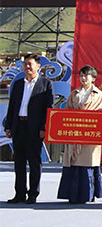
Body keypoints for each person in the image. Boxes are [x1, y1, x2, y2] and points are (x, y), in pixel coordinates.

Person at [3, 53, 54, 204]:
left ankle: (33, 194)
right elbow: (12, 107)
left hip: (35, 129)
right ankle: (19, 193)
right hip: (19, 126)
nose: (27, 66)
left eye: (30, 64)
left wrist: (43, 127)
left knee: (34, 162)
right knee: (18, 162)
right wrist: (8, 126)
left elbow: (48, 108)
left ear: (38, 66)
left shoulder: (45, 84)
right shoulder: (19, 84)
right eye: (25, 64)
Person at [57, 65, 102, 204]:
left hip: (90, 135)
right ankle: (72, 195)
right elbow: (67, 112)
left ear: (93, 78)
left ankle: (87, 195)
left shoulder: (98, 94)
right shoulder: (74, 93)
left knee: (87, 165)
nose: (84, 78)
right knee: (74, 164)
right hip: (75, 134)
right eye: (81, 75)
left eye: (87, 75)